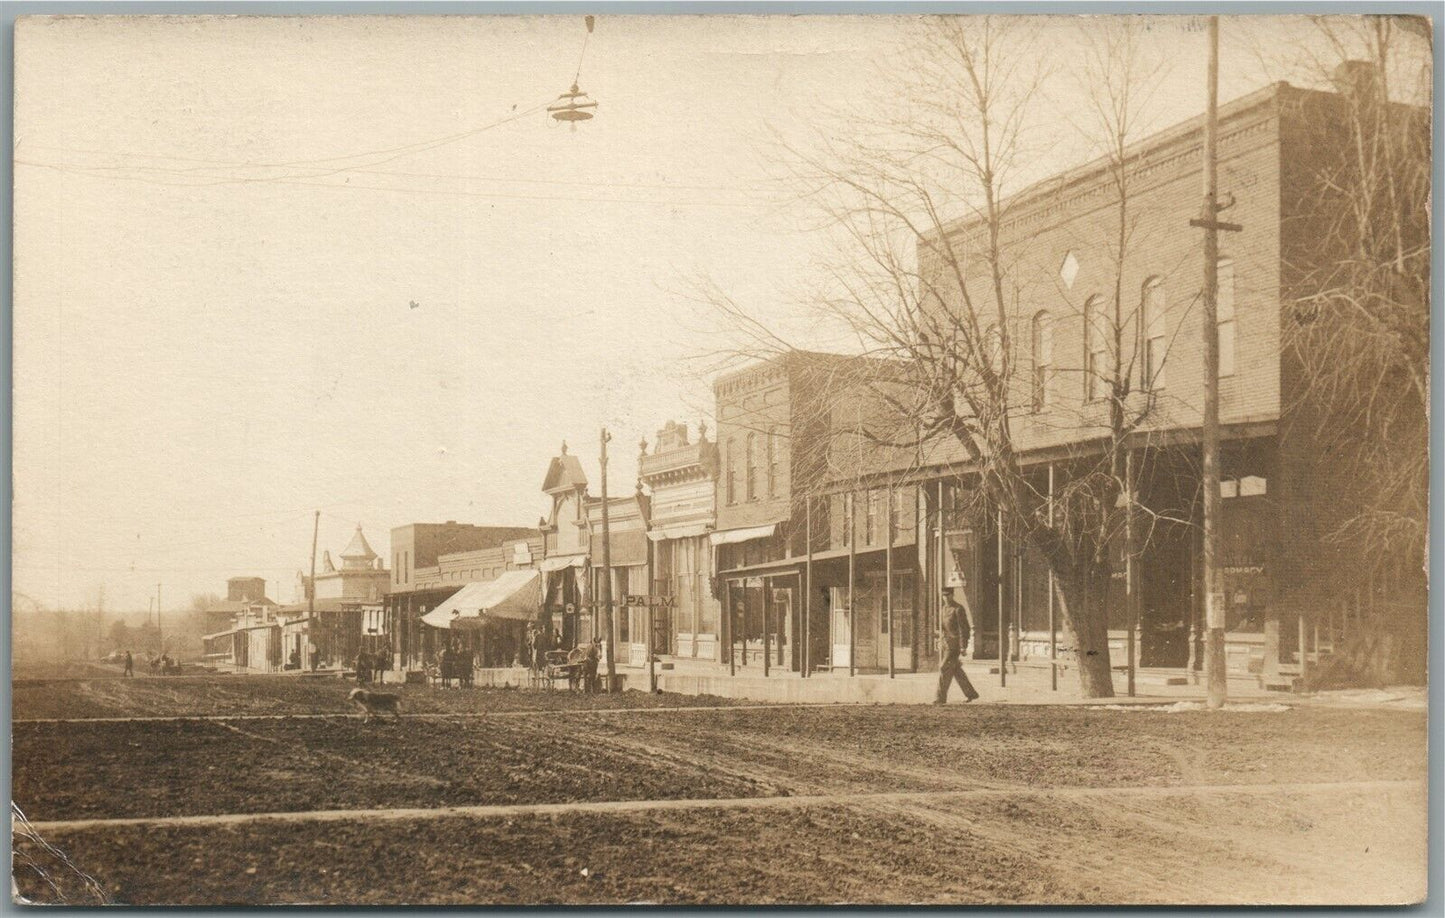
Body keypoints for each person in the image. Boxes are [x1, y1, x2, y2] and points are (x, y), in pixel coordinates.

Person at [935, 588, 980, 705]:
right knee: (955, 670)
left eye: (947, 595)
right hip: (946, 644)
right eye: (943, 596)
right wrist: (940, 640)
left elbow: (963, 629)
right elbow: (942, 628)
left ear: (952, 595)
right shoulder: (943, 609)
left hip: (955, 645)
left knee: (944, 667)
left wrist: (963, 646)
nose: (945, 598)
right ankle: (971, 693)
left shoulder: (958, 609)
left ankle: (940, 698)